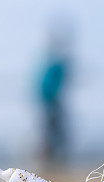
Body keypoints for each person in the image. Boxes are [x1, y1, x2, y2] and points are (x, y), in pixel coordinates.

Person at [38, 34, 71, 163]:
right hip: (52, 102)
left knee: (50, 130)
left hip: (49, 101)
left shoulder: (51, 63)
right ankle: (52, 158)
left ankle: (52, 157)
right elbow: (52, 85)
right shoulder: (57, 64)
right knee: (54, 130)